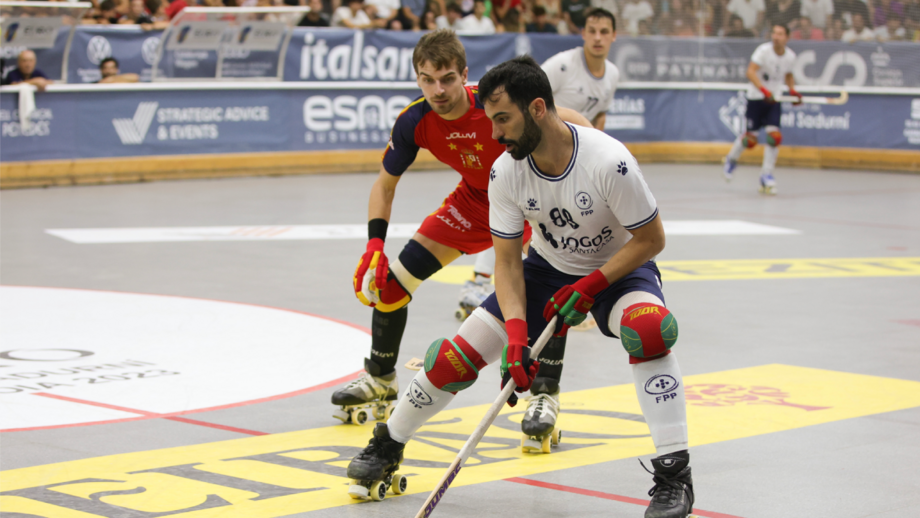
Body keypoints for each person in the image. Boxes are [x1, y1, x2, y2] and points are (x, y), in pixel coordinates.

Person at [346, 55, 695, 518]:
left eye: (502, 119)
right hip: (544, 272)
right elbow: (508, 263)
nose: (494, 134)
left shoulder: (609, 161)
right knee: (452, 359)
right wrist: (515, 337)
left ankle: (675, 476)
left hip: (618, 271)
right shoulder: (506, 171)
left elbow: (651, 240)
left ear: (537, 109)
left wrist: (591, 284)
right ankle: (387, 443)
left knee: (649, 330)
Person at [333, 29, 591, 426]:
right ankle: (381, 378)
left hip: (525, 203)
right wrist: (374, 247)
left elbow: (570, 121)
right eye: (427, 79)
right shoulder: (414, 120)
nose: (438, 90)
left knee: (551, 293)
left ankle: (545, 395)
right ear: (418, 78)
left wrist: (604, 159)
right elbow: (384, 185)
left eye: (447, 78)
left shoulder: (492, 103)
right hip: (472, 203)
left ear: (464, 75)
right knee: (388, 288)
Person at [723, 24, 800, 195]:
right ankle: (731, 159)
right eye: (774, 33)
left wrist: (792, 91)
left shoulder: (790, 56)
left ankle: (766, 175)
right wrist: (764, 90)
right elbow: (750, 72)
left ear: (787, 37)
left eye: (780, 34)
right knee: (750, 140)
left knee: (774, 137)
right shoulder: (763, 51)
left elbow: (788, 75)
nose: (776, 37)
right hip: (756, 98)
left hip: (774, 100)